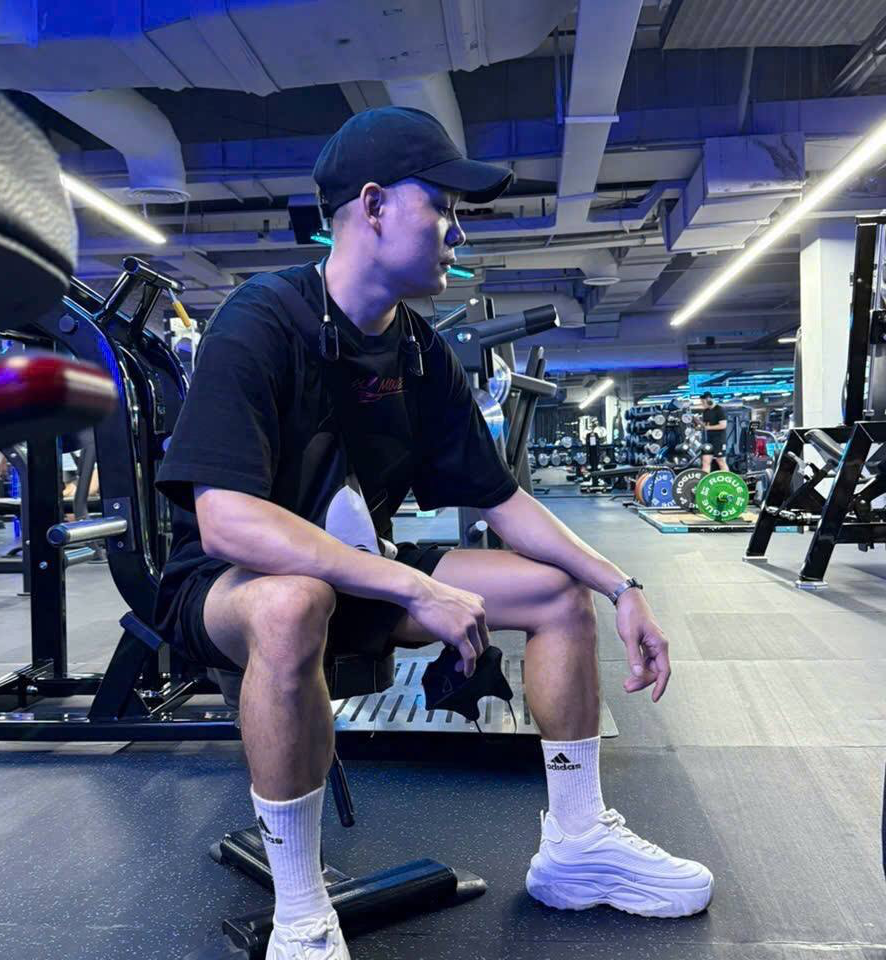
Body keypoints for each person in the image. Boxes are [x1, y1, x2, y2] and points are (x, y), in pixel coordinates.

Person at [154, 107, 713, 960]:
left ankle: (576, 845)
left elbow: (501, 498)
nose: (458, 231)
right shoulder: (261, 318)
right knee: (292, 604)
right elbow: (226, 519)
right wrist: (415, 586)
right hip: (227, 584)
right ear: (374, 206)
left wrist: (621, 586)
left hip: (361, 569)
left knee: (555, 593)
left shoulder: (420, 352)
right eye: (443, 207)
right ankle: (303, 918)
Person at [699, 392, 730, 473]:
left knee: (721, 461)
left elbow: (723, 425)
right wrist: (698, 423)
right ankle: (705, 479)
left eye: (703, 402)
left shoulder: (719, 410)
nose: (702, 404)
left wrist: (709, 427)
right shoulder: (706, 411)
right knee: (706, 461)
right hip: (709, 440)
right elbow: (706, 425)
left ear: (708, 400)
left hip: (719, 440)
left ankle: (727, 478)